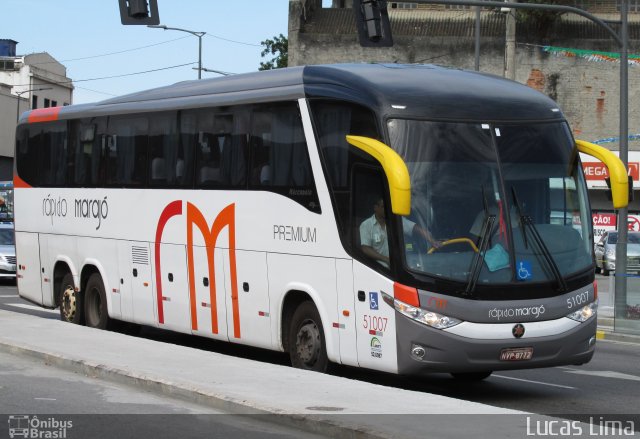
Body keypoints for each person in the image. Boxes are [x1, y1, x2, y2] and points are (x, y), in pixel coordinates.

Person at [360, 197, 440, 268]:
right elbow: (365, 248)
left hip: (398, 269)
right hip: (377, 269)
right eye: (383, 207)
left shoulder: (396, 221)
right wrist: (386, 259)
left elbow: (416, 228)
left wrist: (432, 241)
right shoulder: (366, 225)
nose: (386, 209)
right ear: (375, 208)